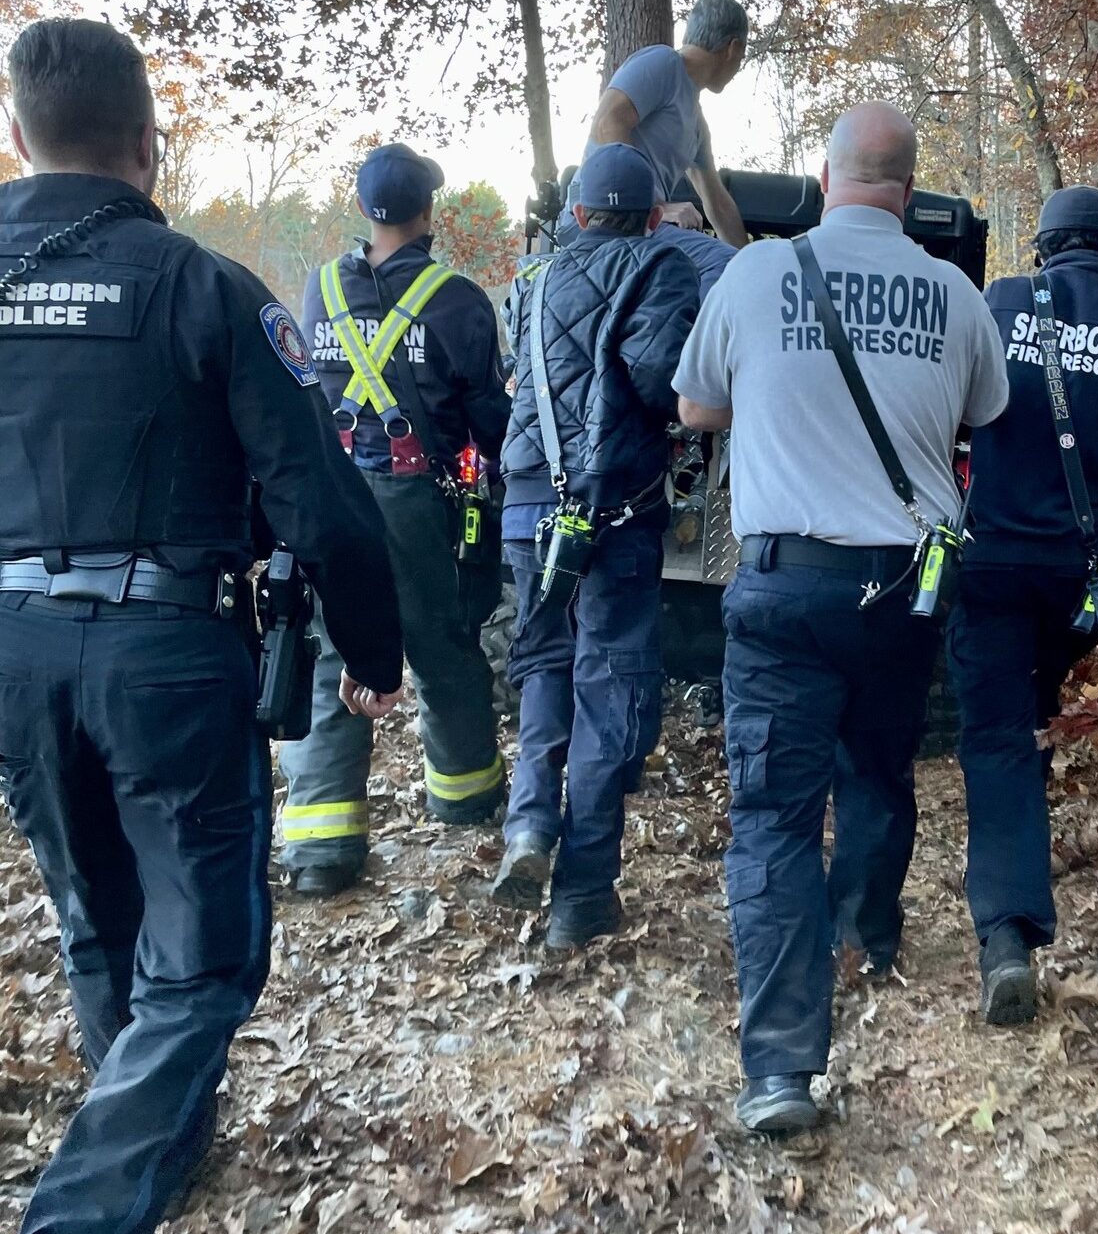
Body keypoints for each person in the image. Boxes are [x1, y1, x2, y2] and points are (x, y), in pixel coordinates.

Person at [0, 18, 403, 1234]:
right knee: (209, 954)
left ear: (18, 138)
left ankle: (160, 1144)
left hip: (10, 652)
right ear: (146, 139)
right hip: (166, 650)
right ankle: (73, 1233)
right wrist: (375, 652)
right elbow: (321, 499)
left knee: (90, 907)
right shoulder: (201, 286)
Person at [673, 101, 1009, 1134]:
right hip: (903, 589)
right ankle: (866, 929)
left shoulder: (756, 274)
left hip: (783, 590)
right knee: (879, 767)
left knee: (774, 815)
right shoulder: (956, 293)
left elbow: (694, 407)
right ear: (909, 193)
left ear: (825, 182)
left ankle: (779, 1068)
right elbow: (981, 417)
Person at [952, 185, 1098, 1026]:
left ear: (1046, 247)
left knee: (996, 734)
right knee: (1045, 713)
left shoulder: (999, 303)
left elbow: (959, 413)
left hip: (996, 559)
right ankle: (1025, 848)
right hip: (1089, 570)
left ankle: (1007, 934)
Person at [277, 144, 512, 896]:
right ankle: (466, 793)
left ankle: (321, 847)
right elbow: (490, 420)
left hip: (332, 498)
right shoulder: (457, 299)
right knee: (442, 648)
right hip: (416, 503)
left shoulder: (317, 290)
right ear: (428, 212)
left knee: (328, 653)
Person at [492, 142, 700, 949]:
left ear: (578, 215)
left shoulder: (531, 279)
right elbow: (661, 386)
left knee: (544, 661)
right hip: (612, 514)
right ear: (652, 217)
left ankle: (528, 828)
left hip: (525, 507)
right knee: (607, 683)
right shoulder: (660, 267)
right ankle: (582, 892)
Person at [567, 0, 752, 289]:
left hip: (643, 229)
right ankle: (694, 339)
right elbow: (607, 123)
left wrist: (753, 262)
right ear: (733, 48)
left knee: (737, 268)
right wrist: (658, 207)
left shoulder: (695, 123)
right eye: (741, 56)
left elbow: (716, 202)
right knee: (721, 265)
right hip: (597, 221)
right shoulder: (663, 63)